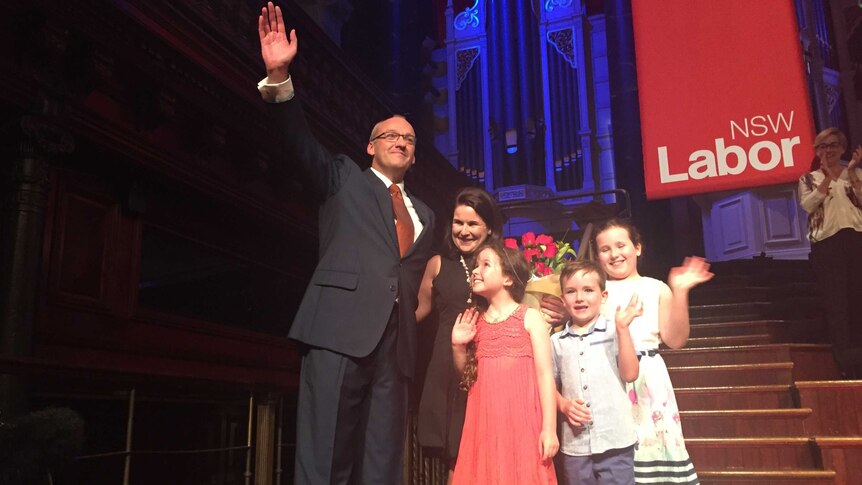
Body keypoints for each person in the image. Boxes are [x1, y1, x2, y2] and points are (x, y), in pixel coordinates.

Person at [256, 4, 435, 483]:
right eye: (390, 134)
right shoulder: (342, 178)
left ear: (414, 156)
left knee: (382, 463)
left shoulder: (427, 215)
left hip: (395, 352)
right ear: (370, 146)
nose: (401, 141)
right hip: (338, 334)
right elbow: (297, 144)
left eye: (410, 139)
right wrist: (279, 79)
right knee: (326, 456)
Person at [594, 219, 713, 484]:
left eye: (621, 245)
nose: (614, 254)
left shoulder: (656, 287)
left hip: (647, 379)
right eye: (605, 249)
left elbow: (675, 339)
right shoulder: (597, 292)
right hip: (609, 376)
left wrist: (680, 291)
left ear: (637, 247)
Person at [451, 241, 559, 484]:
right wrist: (457, 347)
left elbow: (545, 376)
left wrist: (549, 428)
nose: (476, 271)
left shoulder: (530, 318)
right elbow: (467, 378)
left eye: (486, 265)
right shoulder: (475, 322)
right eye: (475, 266)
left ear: (508, 278)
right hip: (485, 426)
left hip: (522, 425)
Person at [414, 187, 503, 477]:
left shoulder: (503, 265)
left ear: (488, 227)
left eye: (473, 223)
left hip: (490, 365)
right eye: (458, 222)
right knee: (454, 457)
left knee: (489, 452)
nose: (463, 231)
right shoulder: (437, 264)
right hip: (445, 367)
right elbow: (417, 312)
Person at [553, 260, 640, 485]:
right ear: (563, 299)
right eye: (571, 292)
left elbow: (630, 374)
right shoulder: (556, 342)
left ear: (603, 296)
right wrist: (563, 404)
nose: (579, 298)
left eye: (588, 290)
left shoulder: (615, 331)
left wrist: (622, 330)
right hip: (576, 445)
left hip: (615, 441)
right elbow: (546, 385)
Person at [798, 127, 862, 376]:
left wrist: (851, 172)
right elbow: (808, 204)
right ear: (816, 151)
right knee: (837, 303)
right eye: (822, 146)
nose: (828, 150)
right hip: (827, 244)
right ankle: (846, 363)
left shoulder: (854, 173)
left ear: (843, 148)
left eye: (833, 145)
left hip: (856, 239)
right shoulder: (808, 178)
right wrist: (825, 177)